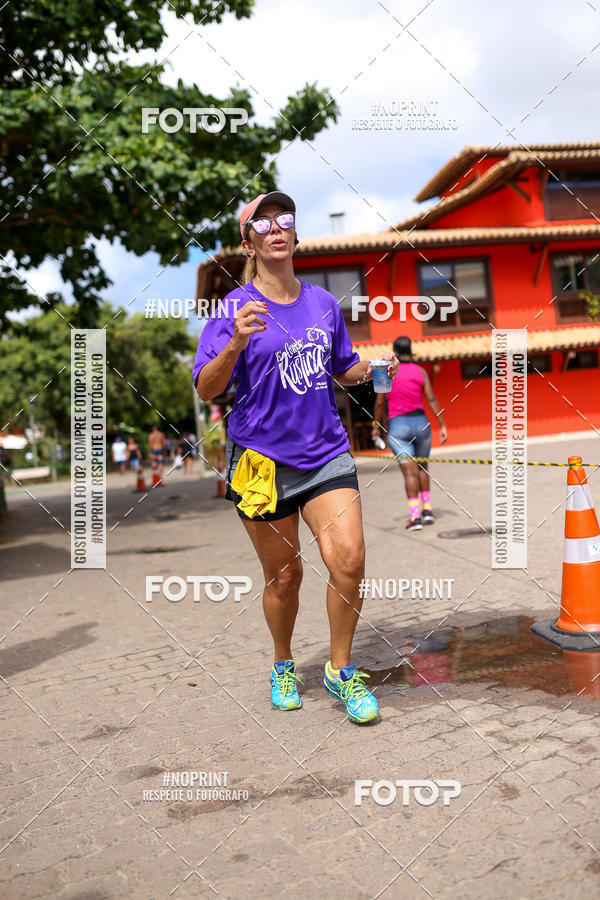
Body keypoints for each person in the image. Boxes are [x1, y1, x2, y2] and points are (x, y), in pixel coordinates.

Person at [193, 191, 397, 724]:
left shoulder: (324, 305)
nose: (276, 228)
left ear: (295, 234)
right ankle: (283, 663)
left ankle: (340, 670)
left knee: (349, 559)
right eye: (262, 223)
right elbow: (206, 388)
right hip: (261, 462)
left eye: (285, 218)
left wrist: (375, 368)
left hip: (326, 452)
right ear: (249, 242)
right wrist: (234, 344)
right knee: (285, 577)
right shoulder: (232, 310)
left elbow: (342, 368)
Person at [372, 335, 447, 532]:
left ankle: (415, 518)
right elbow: (431, 399)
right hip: (421, 423)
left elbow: (380, 402)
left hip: (398, 426)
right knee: (423, 467)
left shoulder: (387, 372)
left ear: (394, 352)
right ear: (410, 350)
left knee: (409, 472)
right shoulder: (420, 371)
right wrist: (442, 424)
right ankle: (428, 510)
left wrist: (375, 425)